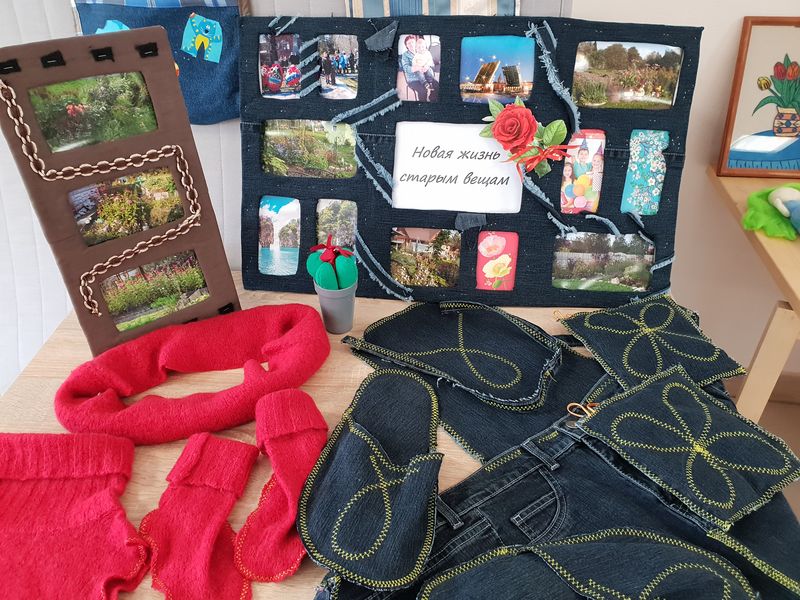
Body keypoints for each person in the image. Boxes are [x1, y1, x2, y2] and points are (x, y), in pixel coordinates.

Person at [400, 35, 438, 101]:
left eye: (412, 42)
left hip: (427, 76)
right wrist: (417, 68)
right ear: (406, 45)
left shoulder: (423, 50)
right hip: (413, 79)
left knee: (437, 86)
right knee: (423, 91)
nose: (411, 44)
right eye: (409, 43)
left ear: (415, 43)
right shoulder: (405, 55)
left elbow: (431, 63)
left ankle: (432, 97)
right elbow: (406, 68)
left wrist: (427, 66)